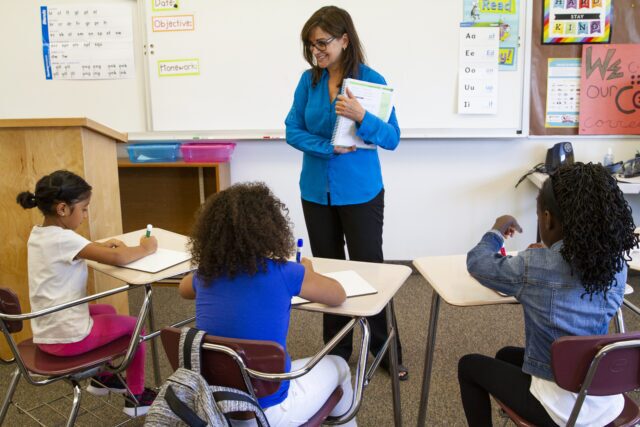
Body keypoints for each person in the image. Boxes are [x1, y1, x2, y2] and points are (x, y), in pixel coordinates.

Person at [458, 162, 638, 426]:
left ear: (548, 218)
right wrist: (545, 251)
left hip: (561, 409)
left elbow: (478, 263)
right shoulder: (615, 265)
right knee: (506, 355)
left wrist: (496, 231)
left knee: (469, 365)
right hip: (605, 395)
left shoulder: (533, 266)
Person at [285, 5, 406, 380]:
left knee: (371, 270)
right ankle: (337, 349)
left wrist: (362, 117)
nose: (316, 52)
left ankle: (384, 347)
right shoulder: (309, 82)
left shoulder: (371, 81)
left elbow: (392, 138)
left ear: (344, 40)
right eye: (311, 45)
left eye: (322, 43)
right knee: (327, 271)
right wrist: (327, 147)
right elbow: (292, 130)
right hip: (316, 193)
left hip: (361, 192)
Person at [178, 182, 357, 427]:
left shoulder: (205, 277)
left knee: (265, 363)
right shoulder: (286, 273)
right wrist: (308, 272)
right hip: (270, 412)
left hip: (216, 408)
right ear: (270, 229)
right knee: (339, 366)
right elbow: (339, 294)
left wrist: (210, 268)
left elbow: (183, 288)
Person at [16, 170, 159, 417]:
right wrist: (145, 248)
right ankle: (136, 397)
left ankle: (102, 378)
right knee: (137, 328)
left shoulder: (39, 234)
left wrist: (98, 247)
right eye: (83, 209)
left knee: (107, 311)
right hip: (68, 339)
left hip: (47, 330)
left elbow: (74, 249)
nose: (85, 214)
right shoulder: (64, 240)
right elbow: (119, 257)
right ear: (62, 209)